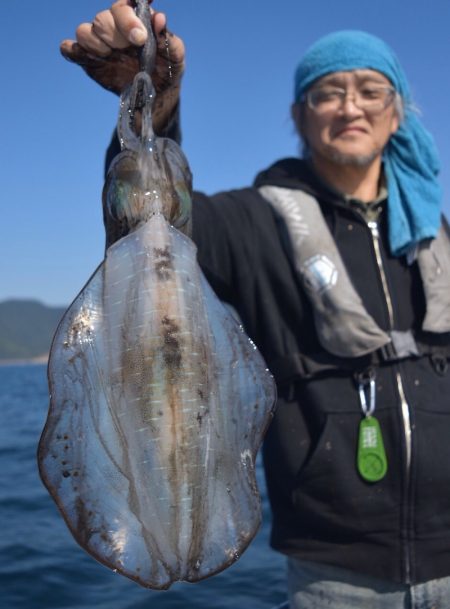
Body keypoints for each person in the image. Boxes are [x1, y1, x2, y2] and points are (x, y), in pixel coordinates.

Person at [63, 2, 450, 607]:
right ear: (300, 114)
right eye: (329, 92)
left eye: (371, 90)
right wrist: (157, 104)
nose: (351, 105)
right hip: (335, 571)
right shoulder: (257, 221)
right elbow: (156, 220)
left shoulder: (437, 235)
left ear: (396, 112)